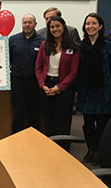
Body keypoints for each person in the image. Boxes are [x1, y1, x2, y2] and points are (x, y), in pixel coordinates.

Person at [76, 13, 111, 165]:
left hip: (105, 90)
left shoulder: (109, 46)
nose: (91, 26)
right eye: (88, 24)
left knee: (102, 123)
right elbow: (78, 70)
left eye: (94, 23)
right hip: (87, 90)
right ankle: (91, 149)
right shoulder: (80, 47)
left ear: (100, 26)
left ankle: (100, 151)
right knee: (88, 123)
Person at [35, 16, 79, 151]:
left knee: (63, 121)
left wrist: (59, 88)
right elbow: (38, 67)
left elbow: (73, 72)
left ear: (63, 27)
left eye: (58, 26)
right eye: (52, 27)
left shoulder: (73, 46)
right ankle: (50, 150)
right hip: (46, 85)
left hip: (64, 87)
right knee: (49, 120)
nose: (55, 29)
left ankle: (63, 151)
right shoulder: (44, 45)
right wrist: (42, 85)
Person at [9, 14, 44, 133]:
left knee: (33, 115)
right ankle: (16, 143)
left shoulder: (42, 42)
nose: (27, 25)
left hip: (35, 83)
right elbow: (7, 61)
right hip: (18, 83)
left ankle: (33, 143)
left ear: (35, 24)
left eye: (30, 22)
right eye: (25, 22)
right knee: (18, 114)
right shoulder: (13, 40)